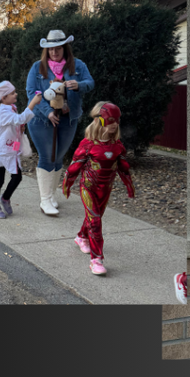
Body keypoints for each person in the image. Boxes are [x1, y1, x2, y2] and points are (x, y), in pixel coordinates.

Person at [25, 29, 95, 215]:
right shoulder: (37, 68)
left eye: (58, 48)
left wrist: (79, 85)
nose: (54, 52)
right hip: (42, 120)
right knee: (47, 156)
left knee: (58, 158)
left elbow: (90, 83)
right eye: (50, 49)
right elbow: (32, 93)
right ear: (46, 51)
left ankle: (51, 194)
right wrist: (47, 112)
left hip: (68, 119)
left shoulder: (77, 66)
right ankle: (45, 200)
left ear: (65, 48)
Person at [62, 101, 135, 276]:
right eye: (110, 120)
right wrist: (68, 183)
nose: (115, 124)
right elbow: (74, 166)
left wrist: (129, 185)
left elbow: (123, 167)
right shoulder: (88, 144)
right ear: (99, 120)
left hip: (106, 189)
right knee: (95, 221)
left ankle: (81, 236)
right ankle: (97, 259)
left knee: (93, 218)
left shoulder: (117, 146)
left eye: (117, 120)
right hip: (88, 188)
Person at [0, 81, 42, 219]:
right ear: (3, 98)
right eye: (12, 93)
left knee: (17, 177)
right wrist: (33, 103)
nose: (15, 94)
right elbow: (19, 118)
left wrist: (20, 127)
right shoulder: (2, 112)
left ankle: (5, 198)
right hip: (1, 151)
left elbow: (17, 122)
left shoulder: (11, 107)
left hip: (11, 150)